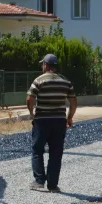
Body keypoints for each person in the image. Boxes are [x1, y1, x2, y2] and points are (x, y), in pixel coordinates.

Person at [27, 53, 77, 193]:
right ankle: (53, 185)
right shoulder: (65, 81)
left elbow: (29, 99)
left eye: (42, 64)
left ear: (46, 65)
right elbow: (73, 102)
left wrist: (32, 113)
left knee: (37, 150)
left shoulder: (39, 80)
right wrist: (69, 118)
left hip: (42, 121)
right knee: (56, 153)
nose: (42, 66)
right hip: (59, 122)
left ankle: (39, 181)